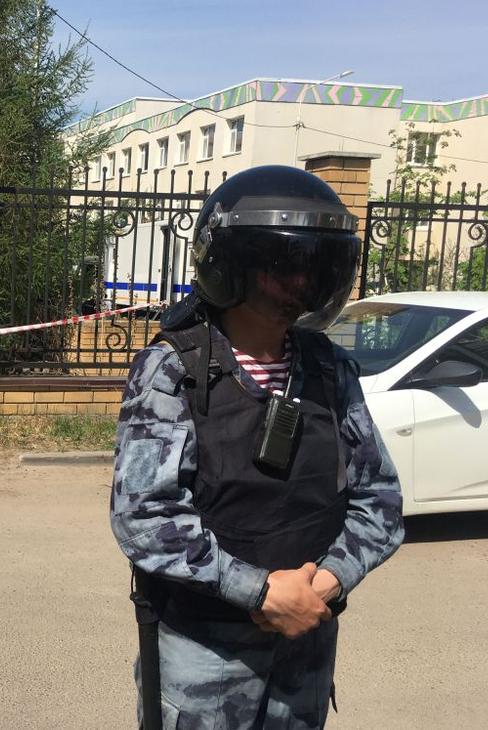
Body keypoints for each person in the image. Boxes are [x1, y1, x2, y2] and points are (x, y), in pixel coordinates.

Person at [111, 165, 404, 730]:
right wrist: (260, 591)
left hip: (307, 641)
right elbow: (145, 516)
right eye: (281, 267)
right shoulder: (175, 369)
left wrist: (323, 583)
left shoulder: (328, 368)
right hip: (206, 656)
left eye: (313, 268)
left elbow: (380, 500)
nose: (300, 284)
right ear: (232, 266)